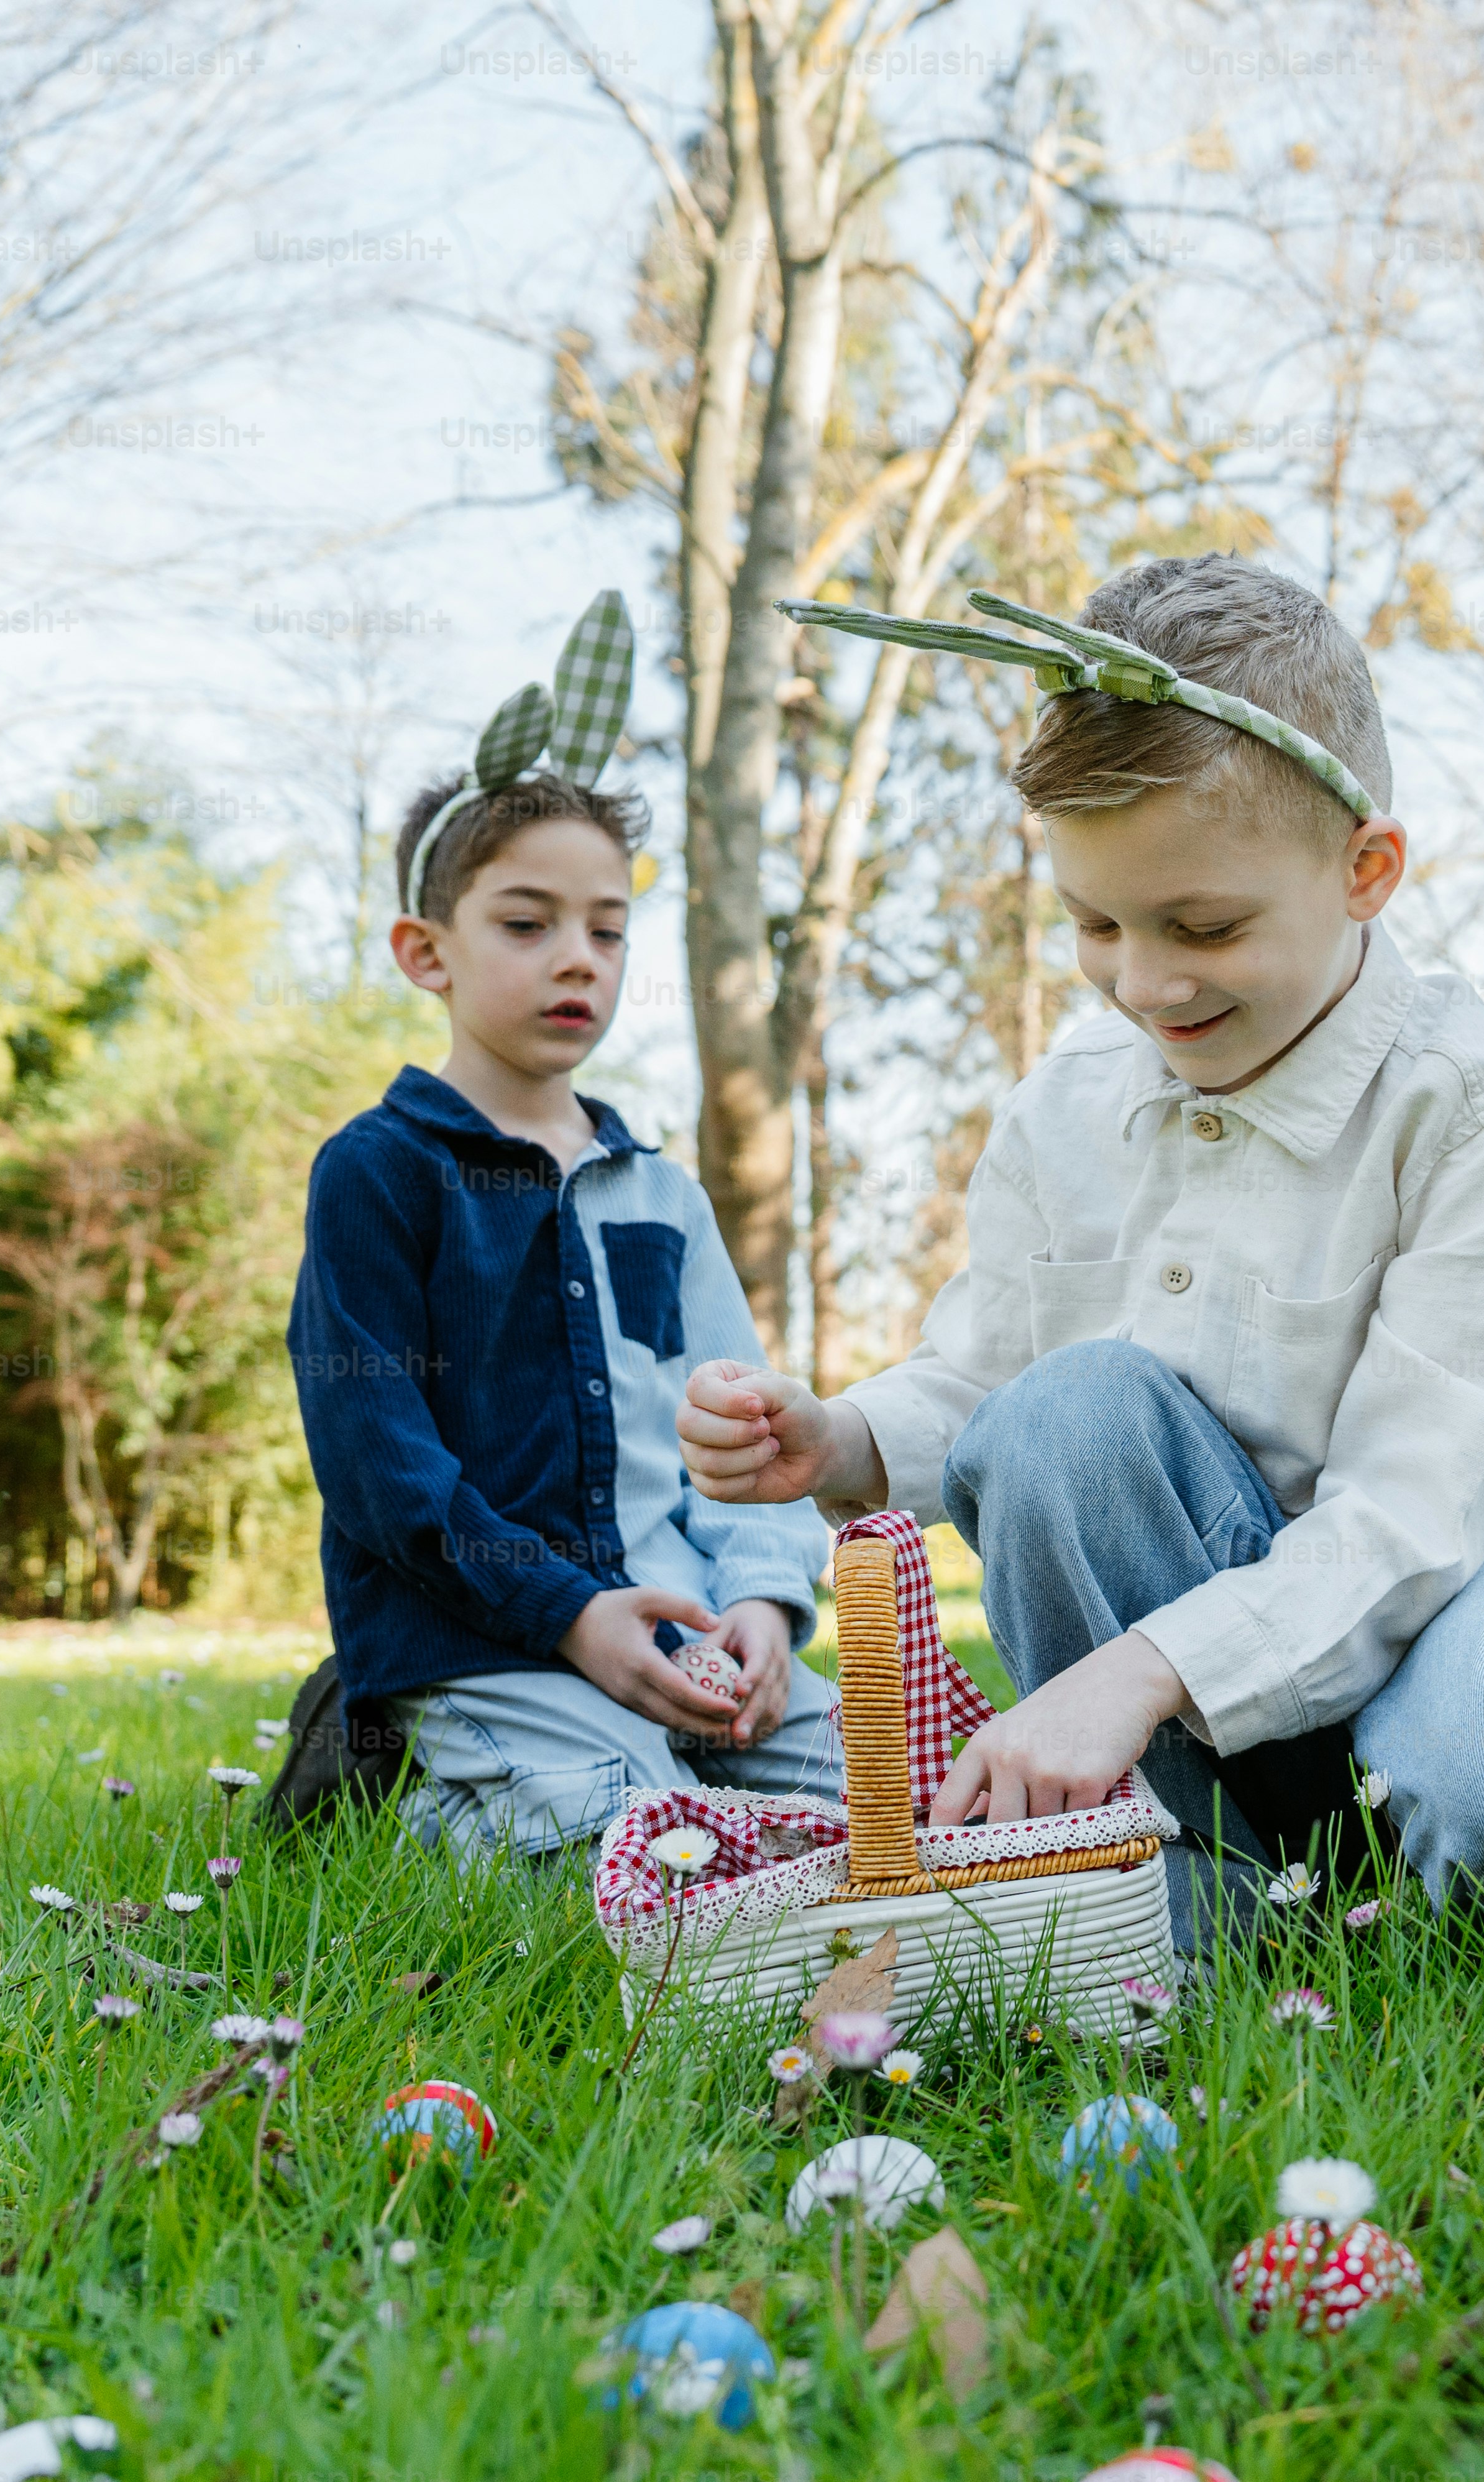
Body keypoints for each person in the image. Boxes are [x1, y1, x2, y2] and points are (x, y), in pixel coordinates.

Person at [677, 556, 1484, 1945]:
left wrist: (1140, 1669)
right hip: (1209, 1662)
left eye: (1205, 927)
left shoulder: (1481, 1106)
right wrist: (841, 1437)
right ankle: (1215, 1893)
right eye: (1095, 924)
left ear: (1364, 870)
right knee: (1060, 1416)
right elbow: (981, 1378)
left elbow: (1413, 1515)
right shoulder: (1064, 1108)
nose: (1145, 981)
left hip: (1478, 1604)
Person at [283, 592, 838, 1859]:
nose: (578, 957)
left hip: (687, 1632)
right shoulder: (378, 1172)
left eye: (607, 927)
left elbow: (745, 1432)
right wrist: (571, 1613)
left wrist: (761, 1603)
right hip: (493, 1645)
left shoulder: (663, 1195)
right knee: (657, 1843)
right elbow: (379, 1465)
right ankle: (410, 1785)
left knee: (908, 1796)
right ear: (426, 951)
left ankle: (679, 1778)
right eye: (527, 923)